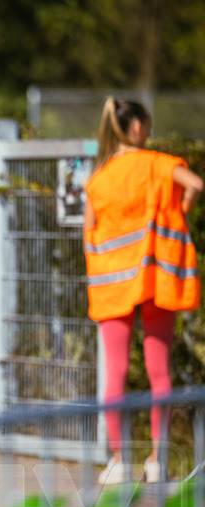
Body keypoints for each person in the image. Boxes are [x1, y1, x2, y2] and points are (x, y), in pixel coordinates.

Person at [84, 97, 202, 485]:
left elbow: (89, 231)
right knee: (159, 371)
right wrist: (180, 211)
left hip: (111, 283)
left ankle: (120, 461)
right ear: (136, 126)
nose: (148, 130)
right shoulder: (156, 163)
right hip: (154, 279)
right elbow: (196, 184)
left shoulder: (98, 178)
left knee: (115, 372)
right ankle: (157, 460)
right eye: (147, 124)